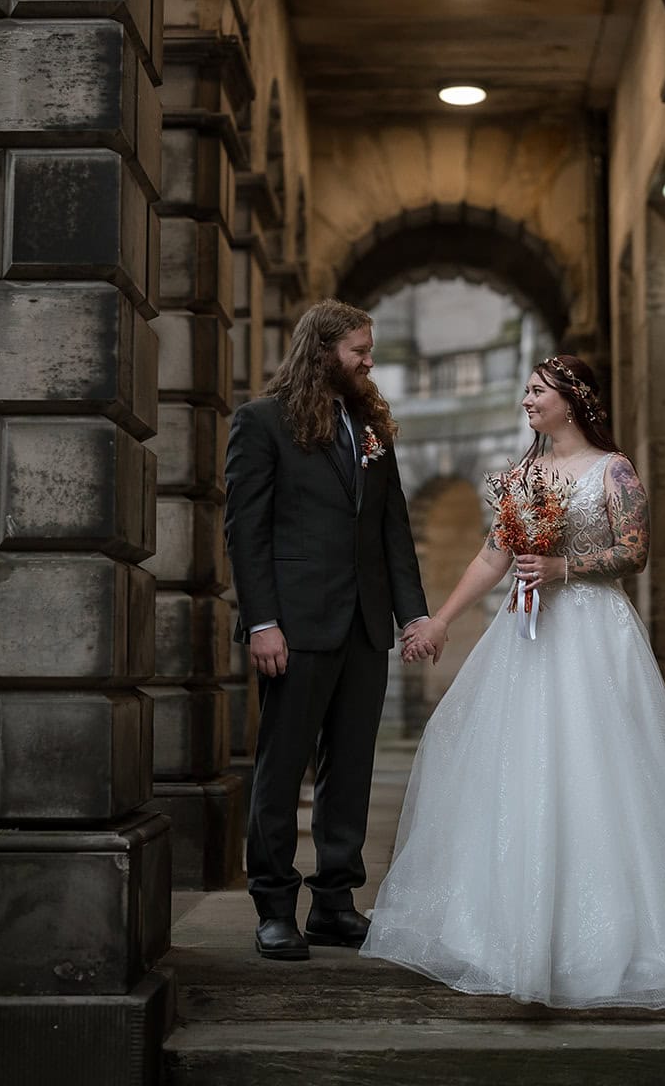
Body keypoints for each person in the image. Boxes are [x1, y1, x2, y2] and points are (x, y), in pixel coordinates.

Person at [360, 353, 665, 1009]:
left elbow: (634, 549)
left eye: (535, 391)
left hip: (593, 634)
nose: (525, 400)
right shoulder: (522, 475)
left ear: (569, 400)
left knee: (598, 770)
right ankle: (505, 929)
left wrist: (563, 569)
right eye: (524, 390)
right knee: (517, 770)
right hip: (525, 638)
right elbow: (493, 557)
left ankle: (612, 930)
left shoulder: (614, 469)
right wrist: (437, 621)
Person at [224, 298, 432, 961]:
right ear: (321, 352)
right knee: (281, 770)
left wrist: (413, 613)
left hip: (365, 627)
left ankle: (335, 906)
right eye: (360, 351)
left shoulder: (370, 429)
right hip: (294, 625)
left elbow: (392, 531)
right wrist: (262, 622)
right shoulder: (260, 423)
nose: (370, 362)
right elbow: (245, 533)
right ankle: (274, 907)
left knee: (351, 770)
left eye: (369, 351)